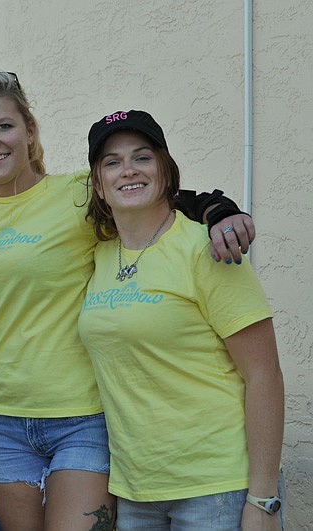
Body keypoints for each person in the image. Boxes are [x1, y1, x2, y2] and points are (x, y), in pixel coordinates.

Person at [0, 72, 256, 530]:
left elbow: (156, 200)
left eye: (4, 126)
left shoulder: (76, 194)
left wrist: (219, 211)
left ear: (30, 130)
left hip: (81, 416)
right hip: (1, 418)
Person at [78, 110, 284, 530]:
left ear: (166, 171)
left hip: (215, 489)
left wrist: (262, 501)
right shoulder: (98, 256)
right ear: (98, 185)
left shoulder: (205, 249)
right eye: (112, 162)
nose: (128, 171)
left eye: (142, 157)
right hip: (135, 492)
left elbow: (264, 374)